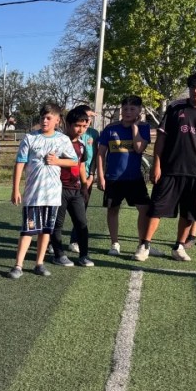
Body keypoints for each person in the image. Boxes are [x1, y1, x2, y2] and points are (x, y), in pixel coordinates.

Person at [134, 72, 196, 262]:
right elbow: (161, 138)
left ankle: (179, 246)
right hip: (170, 169)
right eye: (193, 87)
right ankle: (144, 245)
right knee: (156, 208)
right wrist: (157, 164)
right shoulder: (175, 107)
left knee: (189, 212)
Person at [7, 103, 79, 279]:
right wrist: (15, 189)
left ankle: (39, 263)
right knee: (28, 231)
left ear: (57, 120)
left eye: (48, 118)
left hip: (52, 195)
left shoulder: (63, 139)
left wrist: (57, 161)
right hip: (33, 194)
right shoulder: (30, 138)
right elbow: (20, 164)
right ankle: (18, 265)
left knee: (46, 230)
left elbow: (74, 161)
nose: (44, 121)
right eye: (42, 117)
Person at [95, 95, 152, 257]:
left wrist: (135, 128)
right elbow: (101, 154)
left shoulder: (144, 127)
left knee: (145, 209)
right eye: (125, 108)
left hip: (134, 178)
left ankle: (142, 244)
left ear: (139, 110)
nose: (127, 112)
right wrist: (101, 176)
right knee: (113, 209)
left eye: (132, 109)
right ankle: (114, 243)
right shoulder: (110, 128)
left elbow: (139, 148)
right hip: (113, 178)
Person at [48, 107, 94, 267]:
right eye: (77, 125)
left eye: (84, 126)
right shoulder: (57, 141)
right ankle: (58, 255)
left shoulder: (81, 145)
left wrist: (84, 186)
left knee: (81, 223)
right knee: (57, 224)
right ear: (67, 124)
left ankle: (84, 255)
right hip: (58, 189)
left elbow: (81, 165)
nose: (80, 130)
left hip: (76, 190)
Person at [68, 103, 99, 254]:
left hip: (86, 179)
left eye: (89, 118)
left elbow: (95, 156)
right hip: (68, 180)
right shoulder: (67, 135)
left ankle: (74, 241)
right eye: (86, 116)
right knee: (59, 212)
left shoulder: (94, 134)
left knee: (81, 212)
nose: (87, 121)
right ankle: (51, 241)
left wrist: (91, 175)